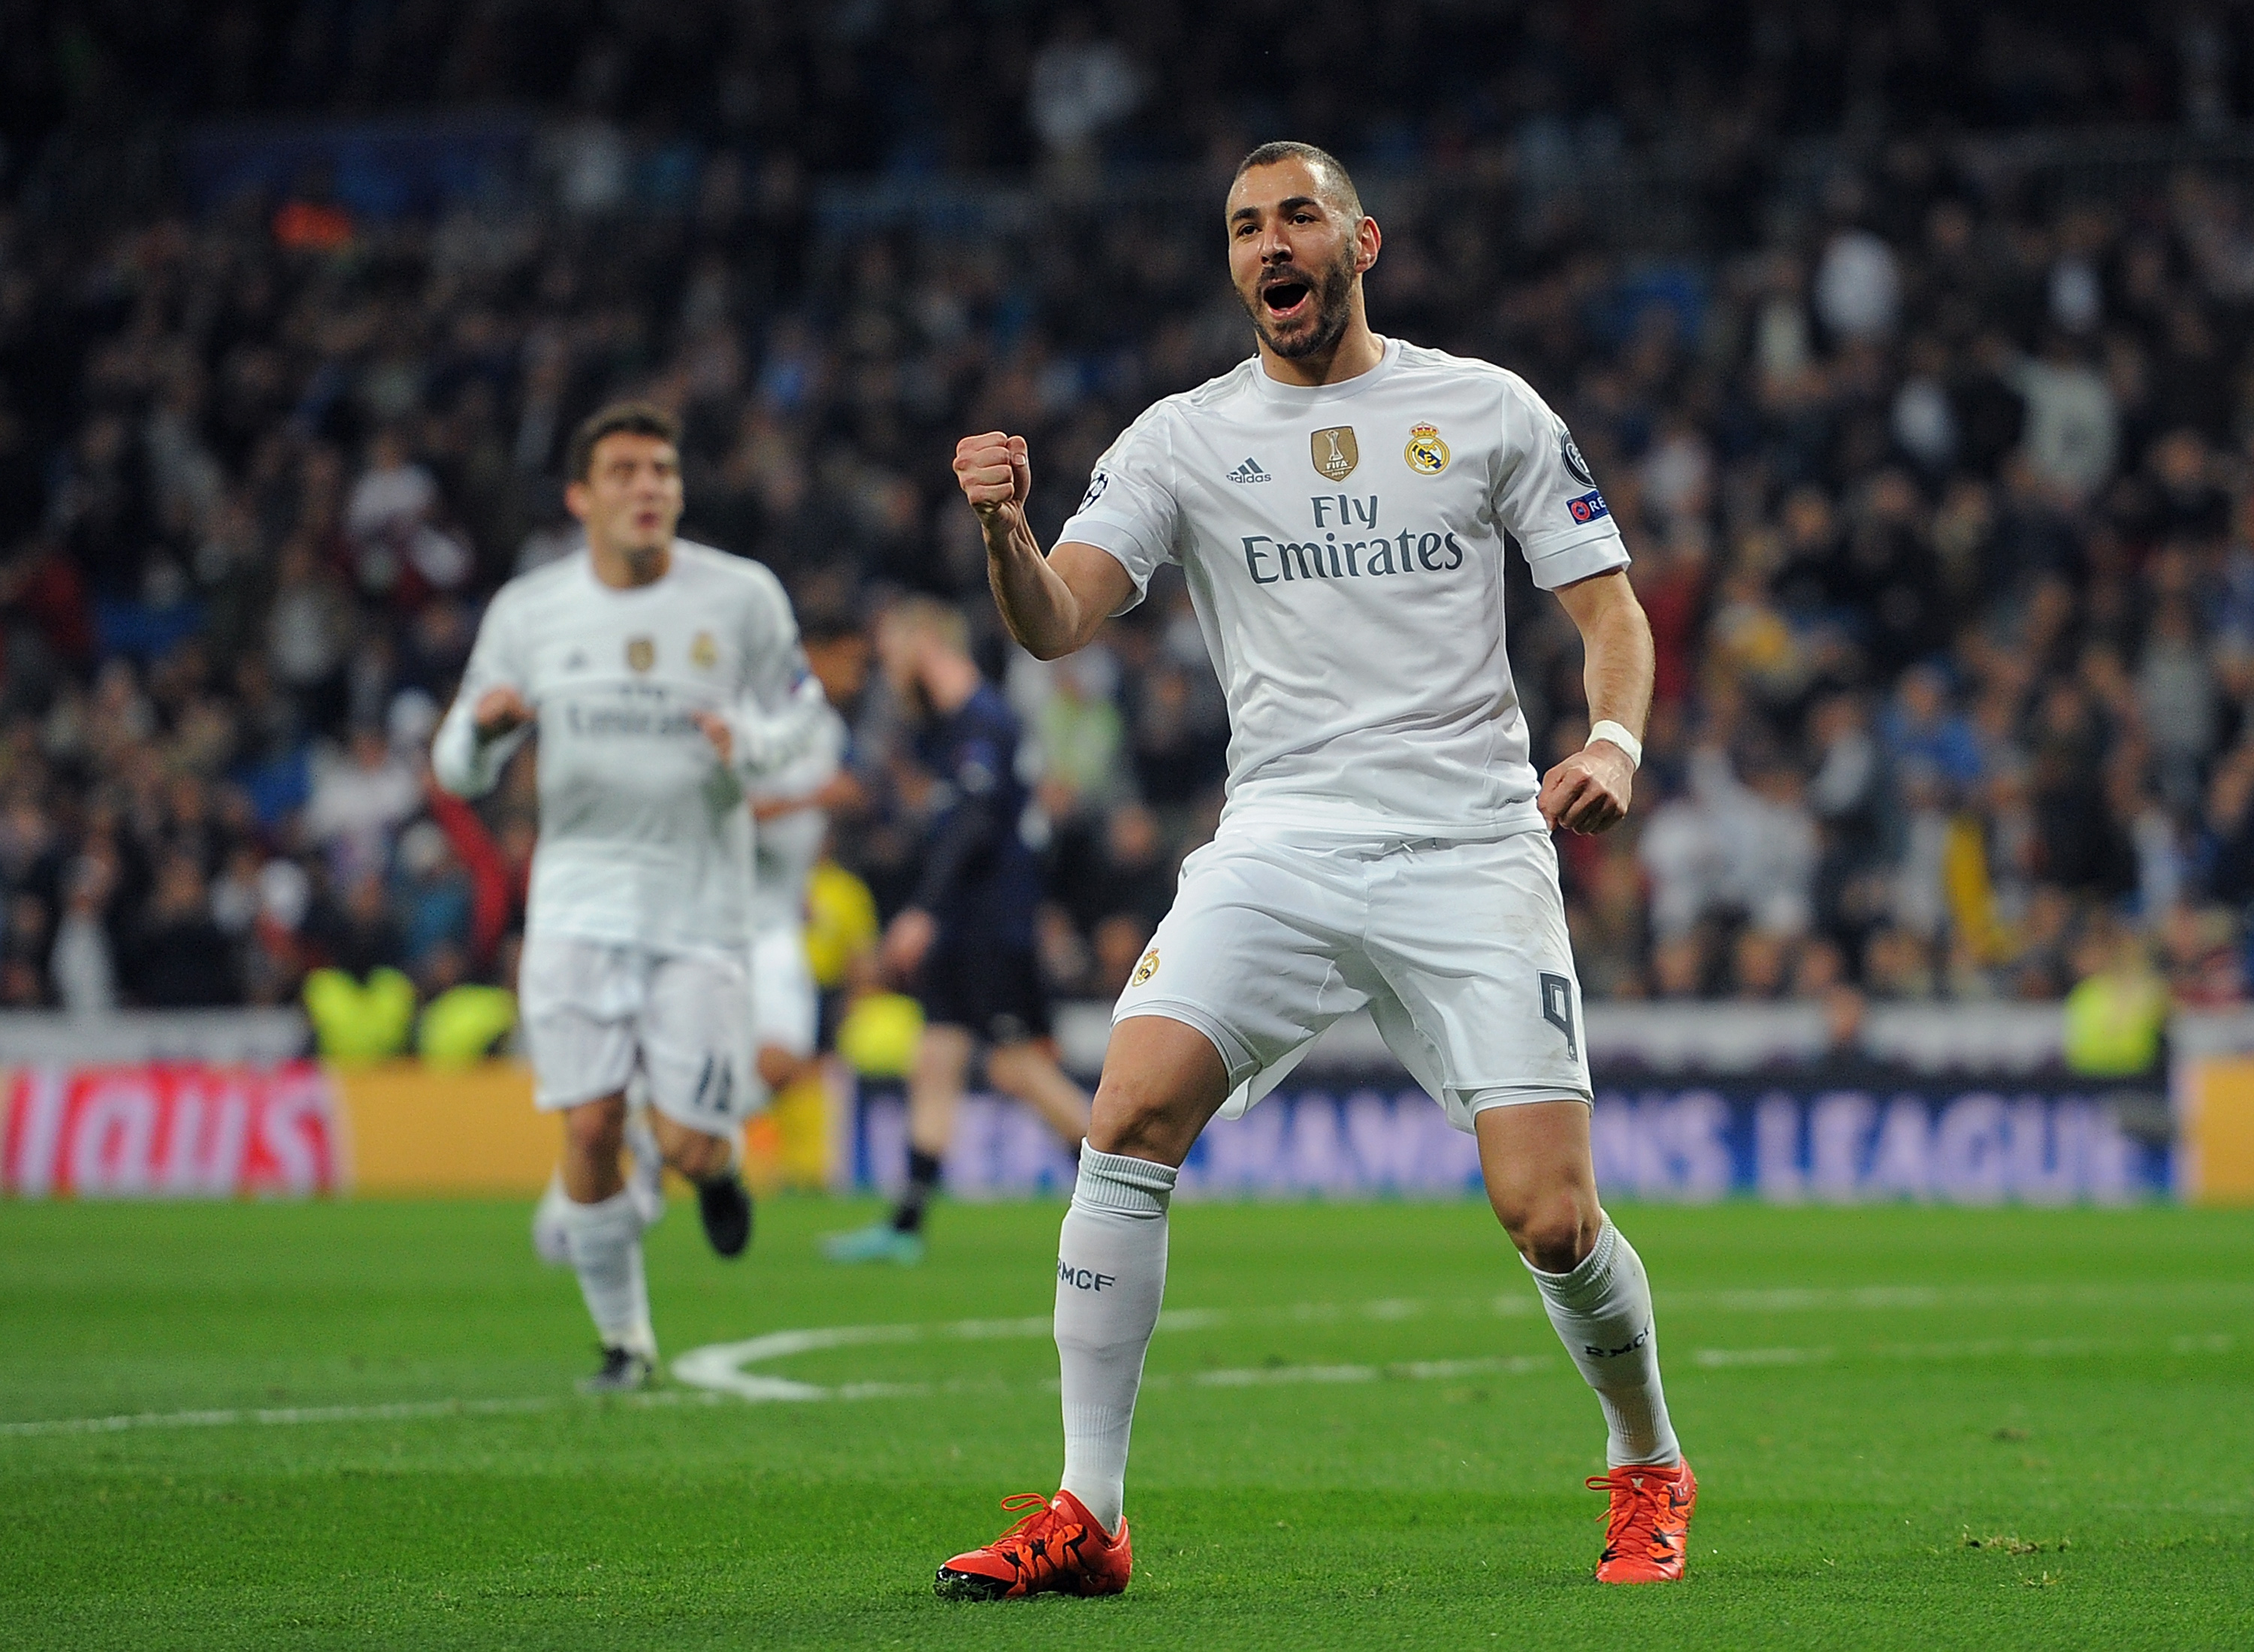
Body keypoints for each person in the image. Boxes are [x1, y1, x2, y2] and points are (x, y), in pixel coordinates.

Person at [933, 143, 1688, 1597]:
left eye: (1296, 217)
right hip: (1278, 838)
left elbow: (1612, 611)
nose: (1269, 244)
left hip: (1471, 843)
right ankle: (1089, 1510)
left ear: (1361, 242)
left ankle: (1647, 1456)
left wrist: (1613, 743)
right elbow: (1054, 624)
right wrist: (1002, 531)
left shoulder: (1483, 408)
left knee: (1548, 1212)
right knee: (1129, 1110)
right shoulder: (1179, 437)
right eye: (1242, 227)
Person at [432, 401, 826, 1394]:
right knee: (589, 1124)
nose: (648, 486)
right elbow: (454, 763)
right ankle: (625, 1341)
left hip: (700, 914)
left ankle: (718, 1169)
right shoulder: (529, 611)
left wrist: (758, 745)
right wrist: (484, 729)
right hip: (573, 908)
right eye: (624, 472)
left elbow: (807, 718)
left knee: (690, 1139)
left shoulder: (741, 597)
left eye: (662, 470)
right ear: (581, 496)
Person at [820, 596, 1092, 1264]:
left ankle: (1122, 1179)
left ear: (922, 641)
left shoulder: (982, 721)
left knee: (1016, 1068)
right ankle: (906, 1225)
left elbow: (974, 830)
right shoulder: (946, 728)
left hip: (992, 926)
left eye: (892, 649)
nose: (886, 666)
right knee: (935, 1059)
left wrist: (923, 912)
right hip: (967, 925)